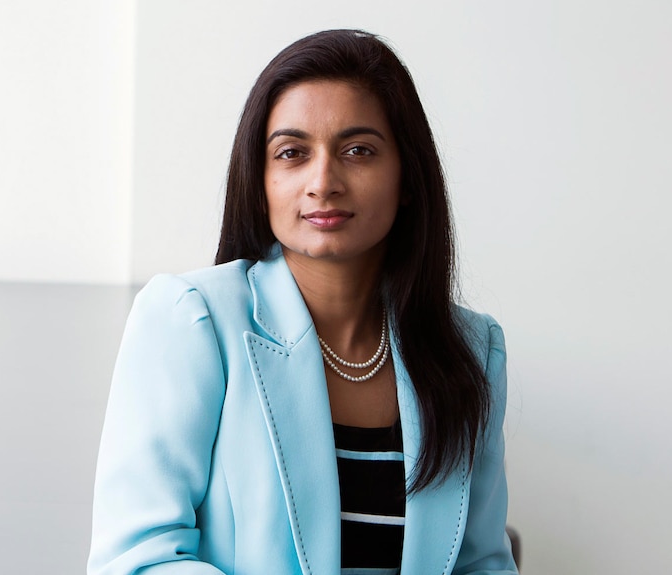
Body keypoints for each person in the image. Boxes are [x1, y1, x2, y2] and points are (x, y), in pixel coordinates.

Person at [88, 29, 518, 575]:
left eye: (358, 151)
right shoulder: (191, 319)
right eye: (292, 153)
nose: (323, 181)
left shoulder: (472, 351)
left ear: (407, 176)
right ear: (260, 178)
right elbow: (136, 559)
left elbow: (482, 563)